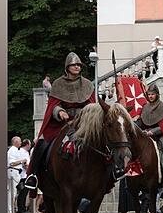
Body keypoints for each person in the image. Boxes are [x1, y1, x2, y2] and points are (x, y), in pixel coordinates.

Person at [23, 52, 111, 191]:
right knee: (42, 142)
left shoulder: (87, 85)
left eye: (78, 65)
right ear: (67, 67)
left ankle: (110, 175)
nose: (77, 67)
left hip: (84, 123)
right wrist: (59, 112)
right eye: (74, 65)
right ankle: (33, 175)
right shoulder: (58, 84)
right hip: (62, 123)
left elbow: (93, 105)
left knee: (104, 139)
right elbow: (52, 106)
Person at [7, 137, 28, 213]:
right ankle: (10, 210)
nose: (21, 142)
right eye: (20, 141)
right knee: (12, 192)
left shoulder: (15, 150)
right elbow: (12, 163)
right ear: (15, 142)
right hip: (13, 171)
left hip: (15, 171)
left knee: (12, 192)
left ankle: (11, 209)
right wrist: (22, 161)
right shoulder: (13, 150)